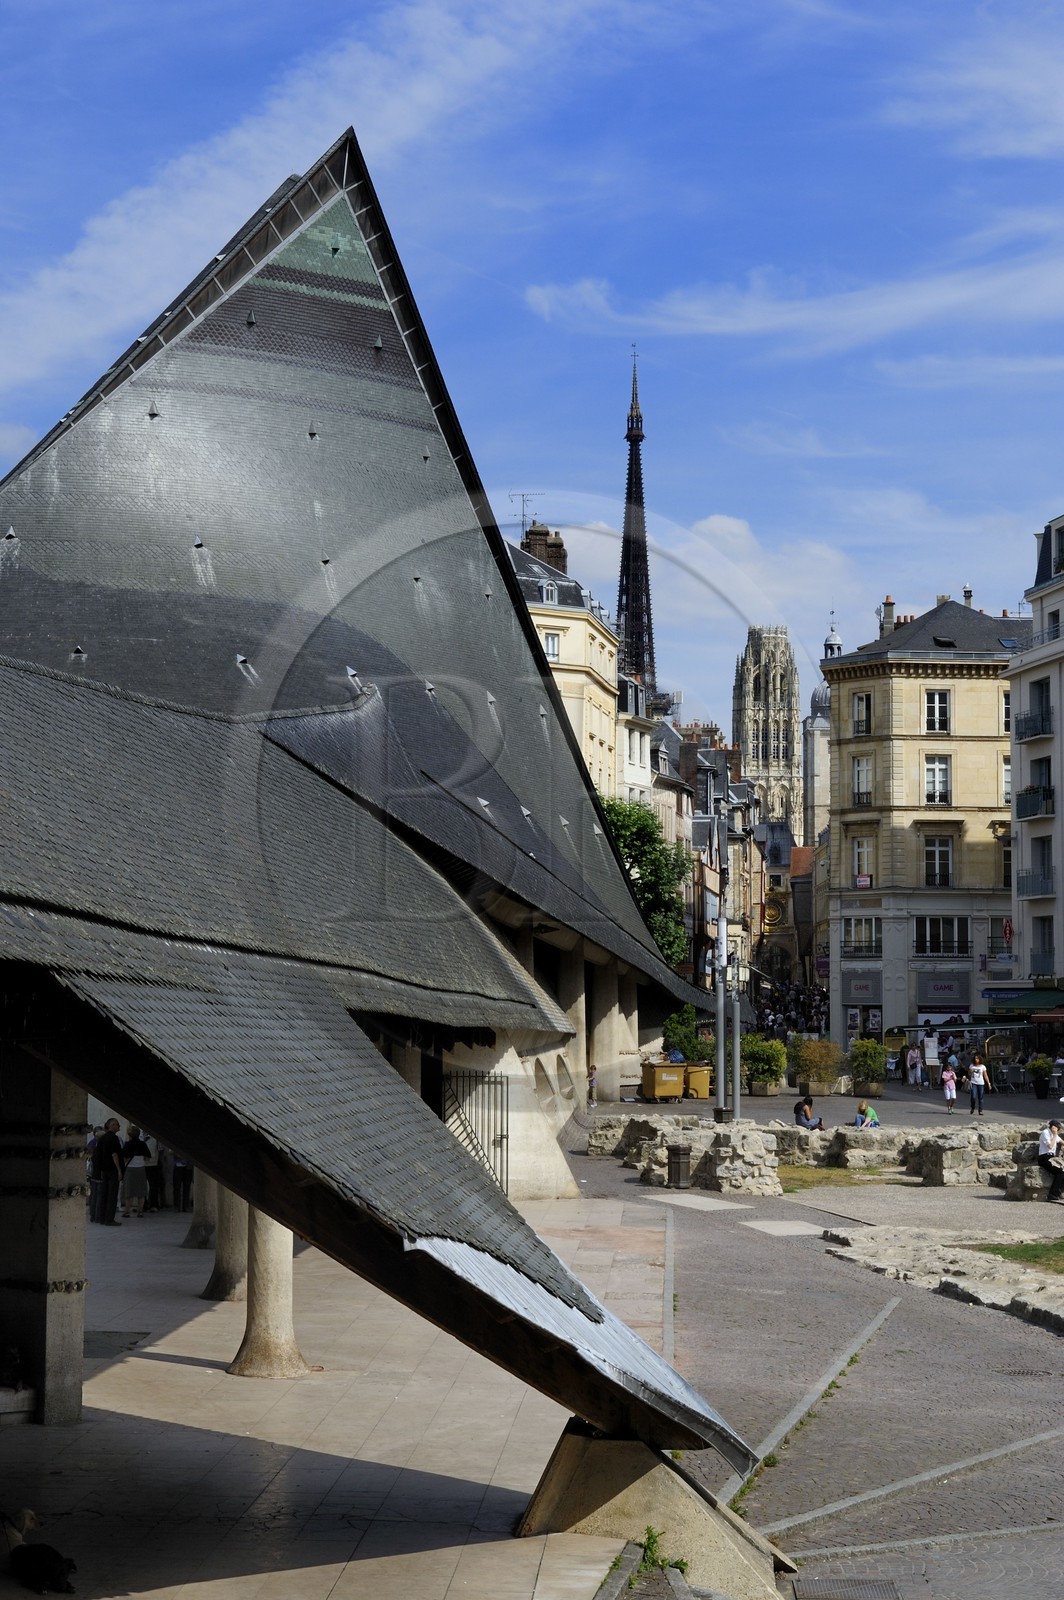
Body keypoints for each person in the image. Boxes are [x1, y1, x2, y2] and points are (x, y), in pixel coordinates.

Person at [93, 1118, 124, 1225]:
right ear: (113, 1125)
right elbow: (114, 1154)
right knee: (112, 1195)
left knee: (104, 1194)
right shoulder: (113, 1138)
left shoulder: (102, 1138)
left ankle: (101, 1218)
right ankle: (109, 1219)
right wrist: (119, 1170)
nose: (119, 1127)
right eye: (118, 1125)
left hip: (104, 1170)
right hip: (112, 1170)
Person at [121, 1126, 151, 1216]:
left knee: (128, 1191)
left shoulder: (127, 1144)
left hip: (130, 1169)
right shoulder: (143, 1144)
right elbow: (147, 1157)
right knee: (141, 1191)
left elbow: (125, 1158)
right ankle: (140, 1211)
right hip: (141, 1168)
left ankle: (127, 1211)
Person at [1038, 1119, 1064, 1204]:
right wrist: (1055, 1134)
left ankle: (1059, 1192)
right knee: (1059, 1172)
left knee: (1063, 1170)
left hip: (1051, 1157)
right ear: (1053, 1126)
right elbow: (1050, 1146)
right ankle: (1052, 1194)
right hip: (1044, 1157)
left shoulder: (1054, 1135)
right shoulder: (1045, 1133)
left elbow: (1061, 1141)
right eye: (1057, 1127)